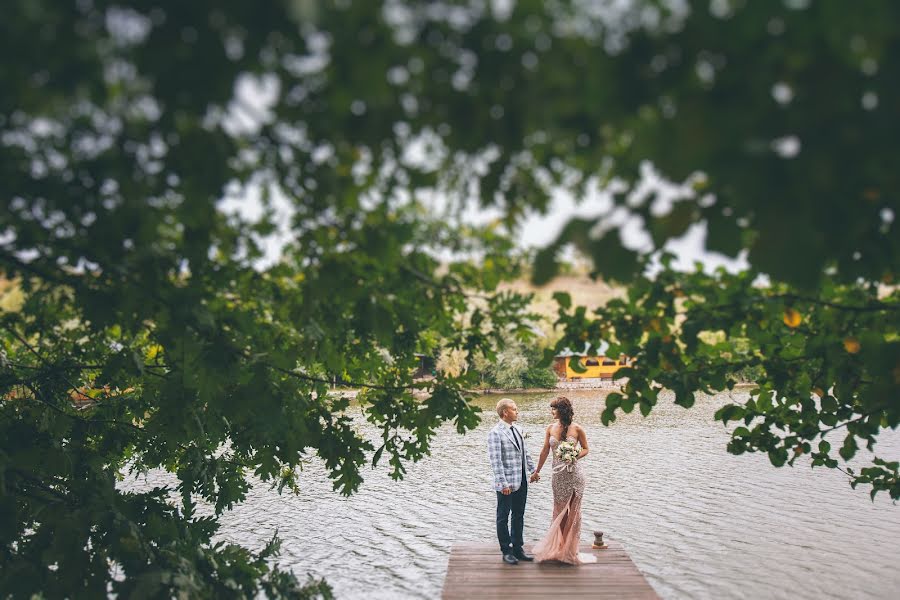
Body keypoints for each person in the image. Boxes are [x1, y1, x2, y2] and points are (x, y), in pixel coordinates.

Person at [530, 396, 597, 564]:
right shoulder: (550, 428)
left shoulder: (577, 429)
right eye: (551, 409)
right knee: (560, 512)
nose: (552, 412)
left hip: (575, 475)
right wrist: (536, 471)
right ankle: (560, 548)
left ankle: (570, 550)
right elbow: (545, 451)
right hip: (558, 476)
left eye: (554, 409)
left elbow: (586, 449)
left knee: (574, 513)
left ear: (562, 410)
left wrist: (574, 455)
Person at [487, 398, 537, 565]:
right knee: (503, 517)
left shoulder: (518, 429)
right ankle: (506, 551)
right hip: (506, 483)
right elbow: (496, 460)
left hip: (521, 480)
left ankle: (518, 548)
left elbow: (525, 454)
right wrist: (503, 484)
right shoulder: (495, 433)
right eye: (514, 409)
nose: (517, 412)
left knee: (518, 515)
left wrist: (533, 471)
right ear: (505, 412)